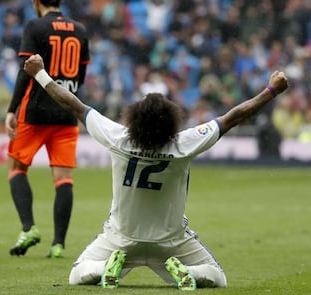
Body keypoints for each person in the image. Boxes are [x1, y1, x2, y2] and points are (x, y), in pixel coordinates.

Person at [24, 54, 289, 290]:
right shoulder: (184, 143)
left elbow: (74, 105)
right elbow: (233, 117)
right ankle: (187, 272)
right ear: (172, 119)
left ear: (135, 116)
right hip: (171, 243)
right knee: (217, 277)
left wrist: (39, 73)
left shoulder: (119, 137)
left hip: (120, 239)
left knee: (77, 274)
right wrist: (271, 91)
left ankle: (106, 269)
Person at [5, 0, 90, 258]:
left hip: (36, 111)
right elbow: (81, 76)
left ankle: (29, 228)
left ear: (35, 0)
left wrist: (12, 109)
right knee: (63, 177)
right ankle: (59, 244)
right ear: (60, 0)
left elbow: (26, 71)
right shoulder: (81, 30)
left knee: (17, 166)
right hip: (67, 112)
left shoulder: (35, 27)